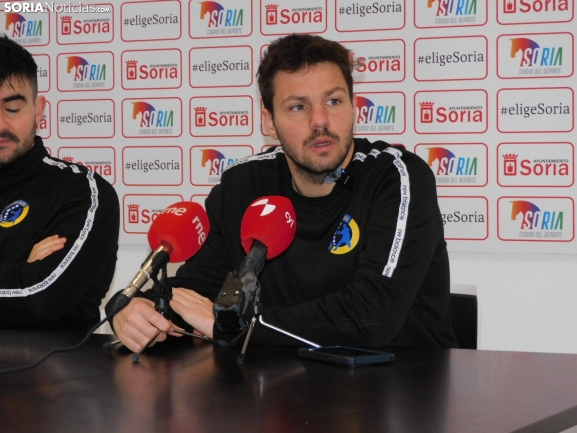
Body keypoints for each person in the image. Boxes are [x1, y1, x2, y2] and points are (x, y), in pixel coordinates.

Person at [109, 34, 457, 351]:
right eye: (298, 107)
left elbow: (373, 316)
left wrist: (239, 328)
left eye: (334, 101)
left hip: (400, 384)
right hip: (275, 384)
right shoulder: (243, 184)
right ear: (269, 122)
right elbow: (196, 292)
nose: (320, 120)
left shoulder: (397, 177)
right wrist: (135, 309)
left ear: (354, 106)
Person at [0, 35, 119, 331]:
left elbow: (40, 296)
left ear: (38, 110)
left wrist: (27, 277)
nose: (0, 124)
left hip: (43, 362)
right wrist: (19, 268)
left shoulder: (81, 192)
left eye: (12, 109)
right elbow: (23, 287)